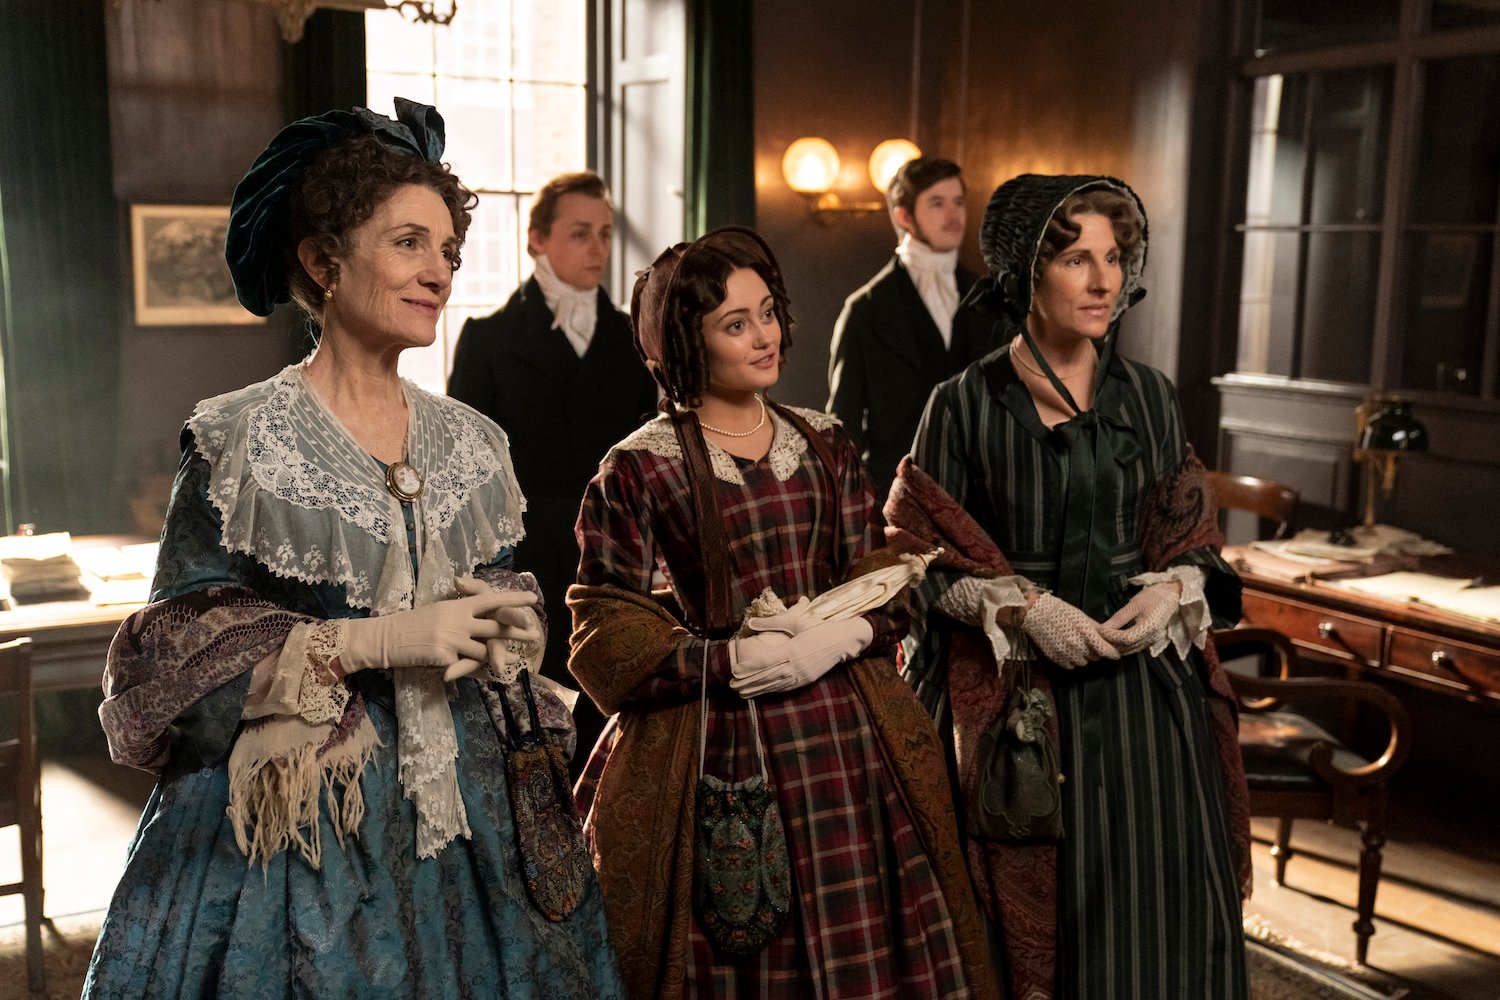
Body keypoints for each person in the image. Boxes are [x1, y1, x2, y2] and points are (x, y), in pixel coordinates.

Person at [83, 100, 623, 999]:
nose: (440, 272)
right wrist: (372, 643)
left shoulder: (475, 441)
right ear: (322, 260)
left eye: (448, 251)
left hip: (472, 806)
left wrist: (500, 623)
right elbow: (172, 661)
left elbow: (497, 591)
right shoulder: (241, 437)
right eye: (409, 242)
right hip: (300, 821)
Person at [566, 227, 998, 999]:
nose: (764, 336)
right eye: (736, 324)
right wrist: (726, 660)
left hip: (850, 734)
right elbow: (605, 631)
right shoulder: (640, 465)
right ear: (684, 343)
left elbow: (884, 571)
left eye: (767, 313)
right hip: (716, 742)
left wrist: (841, 636)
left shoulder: (825, 441)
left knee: (883, 935)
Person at [888, 173, 1251, 1000]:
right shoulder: (964, 405)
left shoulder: (1150, 398)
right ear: (1024, 272)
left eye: (1115, 258)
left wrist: (1174, 590)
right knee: (1022, 924)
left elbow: (1194, 539)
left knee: (1160, 916)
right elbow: (911, 559)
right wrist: (1017, 605)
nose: (1103, 281)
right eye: (1077, 259)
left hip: (1144, 703)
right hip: (1018, 704)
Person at [448, 170, 657, 775]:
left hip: (619, 559)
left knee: (616, 724)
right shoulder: (488, 340)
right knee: (535, 738)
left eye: (606, 234)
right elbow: (465, 480)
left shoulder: (633, 336)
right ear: (537, 240)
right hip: (528, 560)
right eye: (579, 233)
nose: (597, 248)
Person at [827, 156, 1003, 499]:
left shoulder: (990, 299)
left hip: (979, 494)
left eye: (958, 202)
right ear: (904, 216)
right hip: (893, 492)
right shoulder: (864, 309)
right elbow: (844, 423)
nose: (954, 215)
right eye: (937, 203)